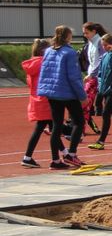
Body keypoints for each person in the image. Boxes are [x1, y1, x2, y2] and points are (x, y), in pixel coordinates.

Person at [38, 26, 88, 169]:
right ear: (68, 37)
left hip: (52, 93)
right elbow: (74, 77)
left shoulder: (48, 51)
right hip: (67, 92)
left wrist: (44, 90)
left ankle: (55, 160)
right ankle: (72, 154)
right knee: (79, 122)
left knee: (56, 126)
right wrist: (82, 95)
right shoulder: (70, 53)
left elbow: (45, 72)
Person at [21, 39, 52, 168]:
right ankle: (27, 157)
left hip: (36, 99)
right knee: (44, 128)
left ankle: (65, 153)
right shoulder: (43, 63)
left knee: (52, 128)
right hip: (45, 99)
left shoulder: (32, 64)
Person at [81, 22, 107, 134]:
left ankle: (79, 129)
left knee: (85, 103)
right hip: (91, 77)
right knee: (85, 103)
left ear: (94, 31)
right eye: (84, 33)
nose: (85, 35)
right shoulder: (90, 43)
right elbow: (91, 61)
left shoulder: (100, 42)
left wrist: (92, 74)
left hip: (97, 78)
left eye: (87, 33)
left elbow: (101, 60)